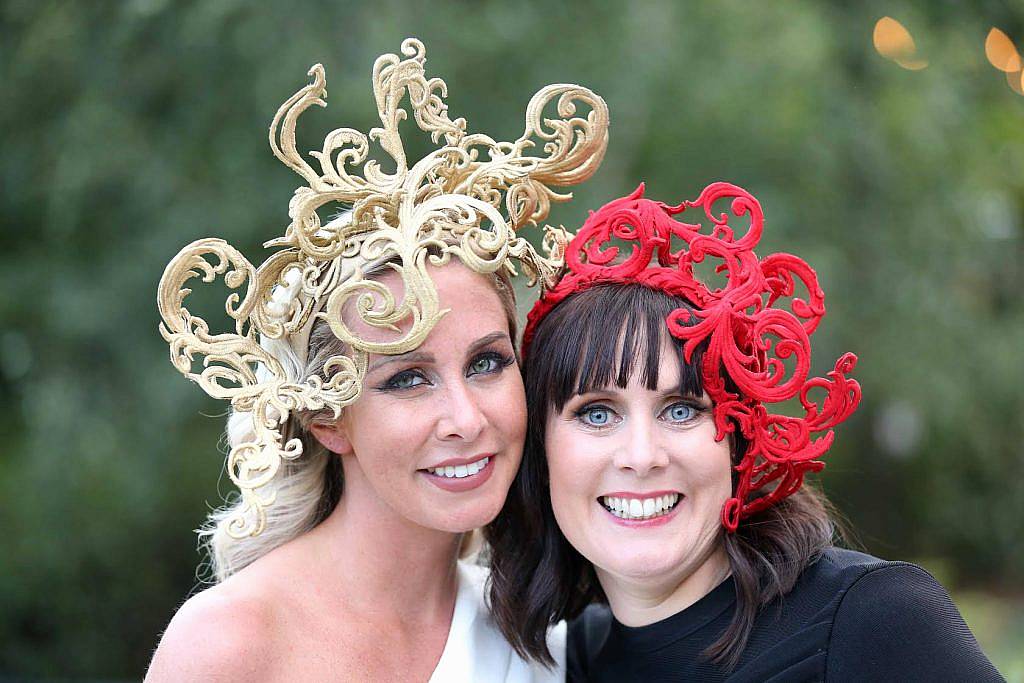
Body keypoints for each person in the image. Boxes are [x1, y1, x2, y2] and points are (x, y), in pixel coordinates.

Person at [146, 39, 608, 681]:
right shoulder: (232, 643)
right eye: (408, 378)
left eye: (486, 364)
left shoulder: (539, 640)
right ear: (328, 419)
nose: (465, 419)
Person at [487, 183, 1004, 681]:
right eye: (597, 413)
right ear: (541, 449)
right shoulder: (560, 662)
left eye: (682, 410)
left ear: (740, 440)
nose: (641, 457)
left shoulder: (872, 622)